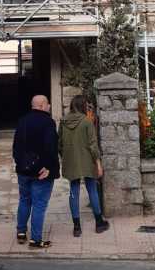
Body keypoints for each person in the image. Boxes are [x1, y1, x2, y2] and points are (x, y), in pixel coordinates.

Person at [58, 95, 110, 237]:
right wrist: (98, 163)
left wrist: (65, 158)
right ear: (83, 106)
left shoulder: (63, 122)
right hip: (88, 160)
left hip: (70, 160)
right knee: (92, 189)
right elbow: (93, 145)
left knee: (73, 191)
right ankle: (99, 223)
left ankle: (76, 227)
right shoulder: (87, 122)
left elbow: (60, 144)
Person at [12, 95, 60, 248]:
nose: (50, 106)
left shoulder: (22, 121)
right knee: (39, 205)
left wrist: (20, 163)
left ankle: (21, 232)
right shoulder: (48, 122)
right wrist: (49, 167)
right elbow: (51, 147)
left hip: (23, 170)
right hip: (42, 172)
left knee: (24, 200)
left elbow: (16, 147)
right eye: (48, 104)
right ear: (42, 105)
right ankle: (36, 240)